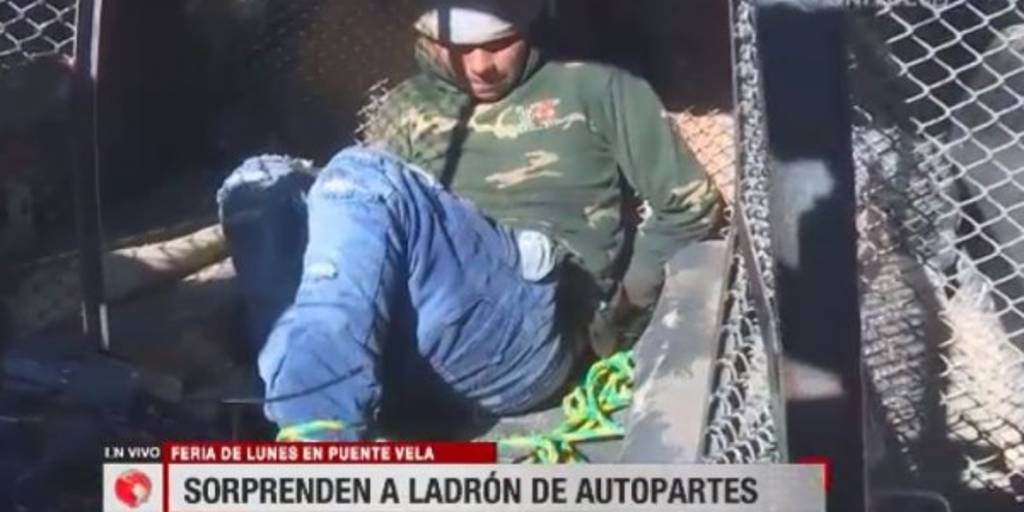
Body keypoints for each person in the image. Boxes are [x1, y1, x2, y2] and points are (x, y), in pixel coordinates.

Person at [217, 0, 720, 441]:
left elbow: (689, 203)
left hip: (527, 327)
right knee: (256, 184)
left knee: (360, 173)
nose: (481, 66)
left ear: (530, 25)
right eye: (457, 48)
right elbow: (366, 234)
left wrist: (621, 314)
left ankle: (317, 439)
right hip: (421, 347)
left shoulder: (596, 86)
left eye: (499, 43)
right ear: (426, 40)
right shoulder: (405, 106)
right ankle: (300, 395)